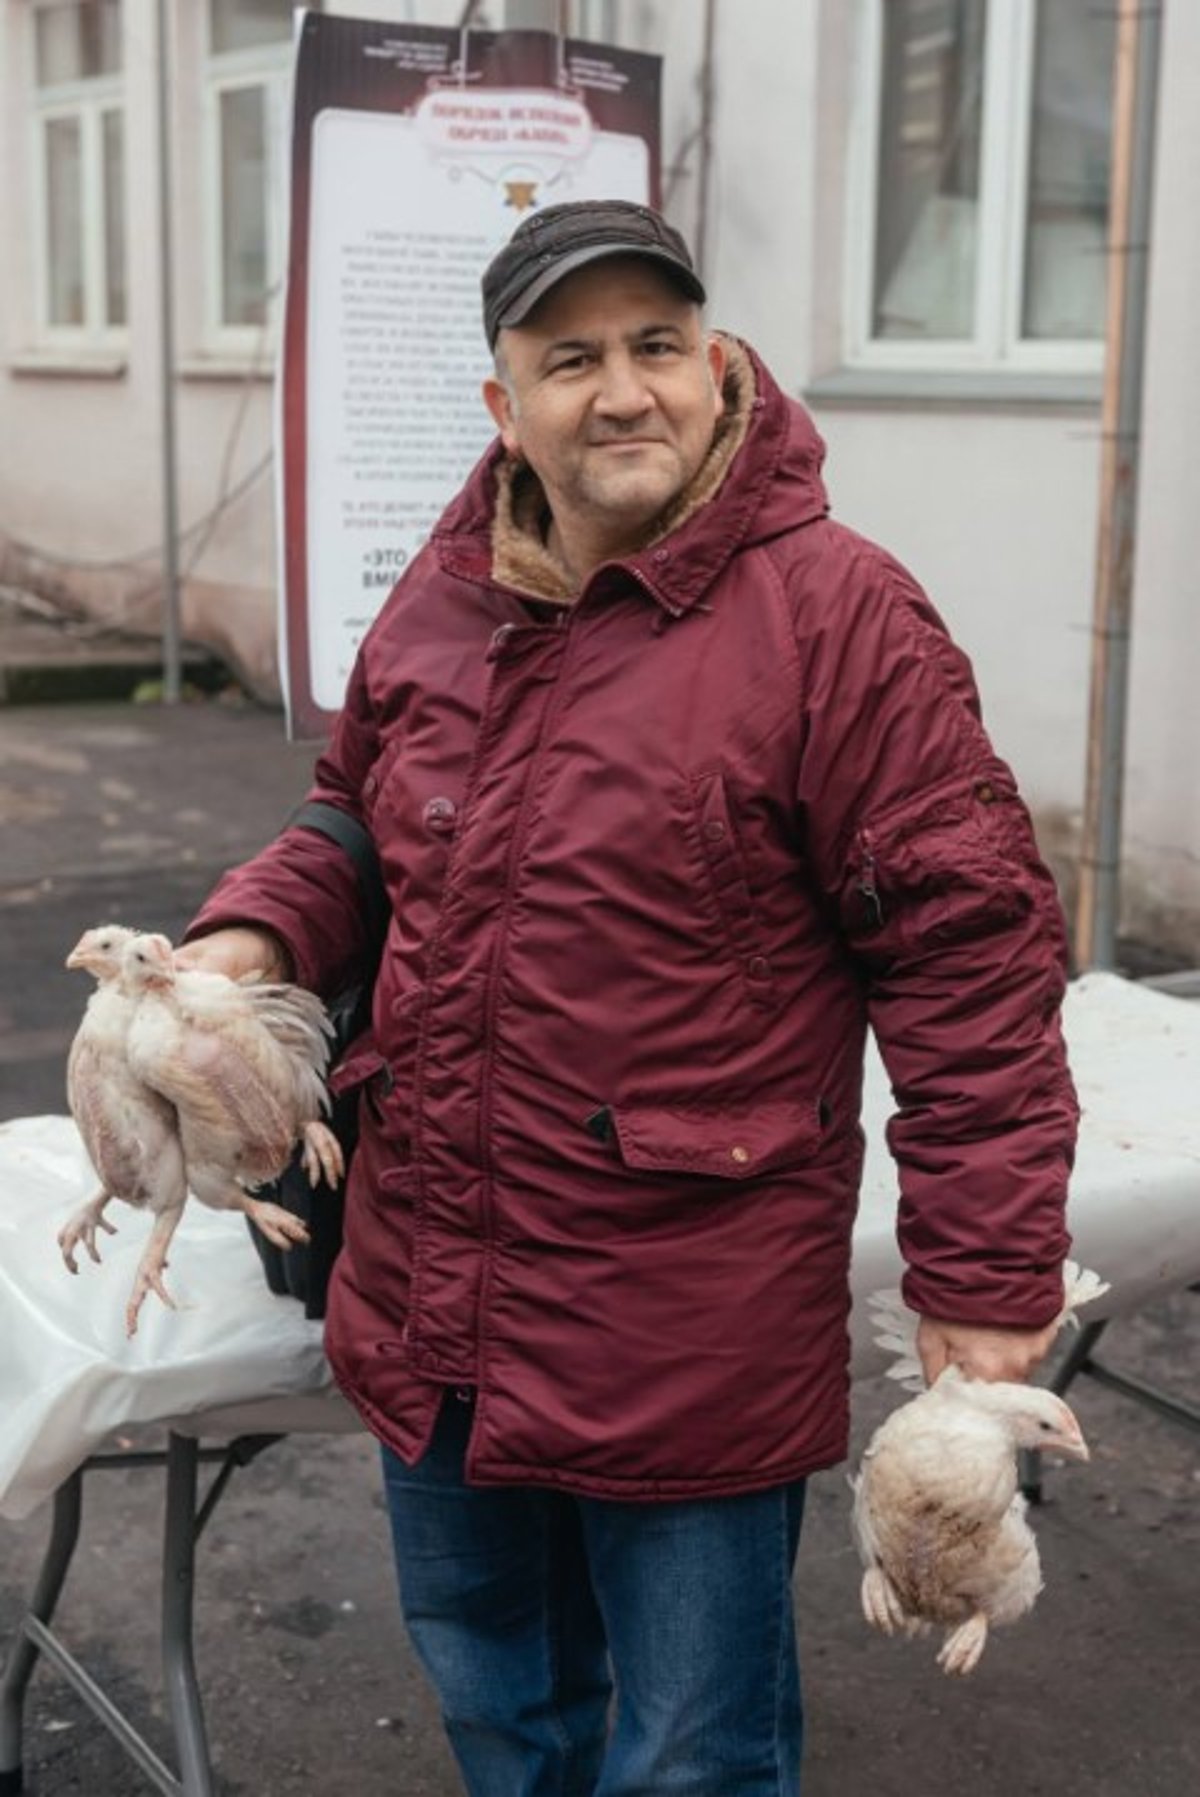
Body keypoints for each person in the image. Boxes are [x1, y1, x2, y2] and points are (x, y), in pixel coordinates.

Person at [179, 200, 1078, 1794]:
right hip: (429, 1285)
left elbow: (970, 954)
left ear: (716, 361)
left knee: (691, 1758)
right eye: (570, 356)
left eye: (657, 345)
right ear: (503, 404)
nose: (622, 390)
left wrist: (990, 1268)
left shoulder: (838, 616)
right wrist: (254, 935)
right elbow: (351, 822)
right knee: (501, 1710)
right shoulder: (445, 596)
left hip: (686, 1322)